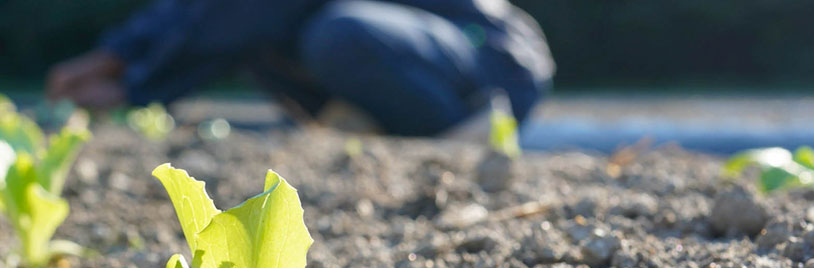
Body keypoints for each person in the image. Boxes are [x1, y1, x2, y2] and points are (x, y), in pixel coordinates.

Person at [46, 0, 553, 137]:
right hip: (401, 48)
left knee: (337, 32)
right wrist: (113, 55)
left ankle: (461, 131)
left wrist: (132, 85)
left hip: (489, 57)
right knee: (261, 45)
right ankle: (373, 127)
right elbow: (193, 11)